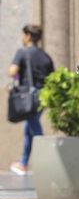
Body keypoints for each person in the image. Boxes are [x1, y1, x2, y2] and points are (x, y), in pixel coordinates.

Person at [8, 24, 54, 176]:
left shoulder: (22, 52)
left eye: (23, 35)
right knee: (29, 128)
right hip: (43, 96)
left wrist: (16, 76)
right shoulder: (45, 56)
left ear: (28, 36)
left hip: (28, 96)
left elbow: (12, 71)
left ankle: (47, 159)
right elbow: (52, 78)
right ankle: (23, 163)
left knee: (34, 128)